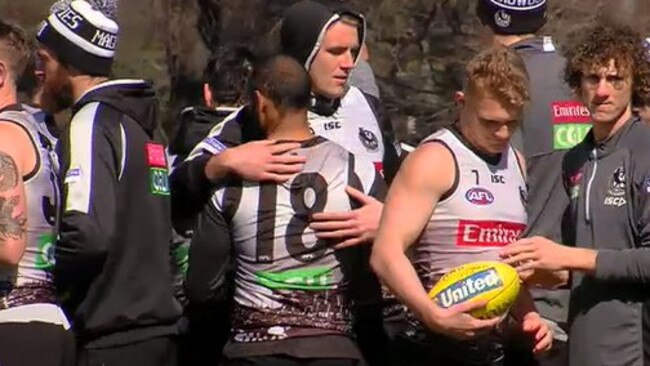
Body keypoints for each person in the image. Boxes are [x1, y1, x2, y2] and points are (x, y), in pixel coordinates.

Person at [186, 54, 386, 366]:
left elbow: (202, 287)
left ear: (259, 102)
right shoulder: (355, 170)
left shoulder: (234, 178)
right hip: (335, 351)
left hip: (252, 351)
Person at [370, 46, 552, 366]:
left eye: (512, 122)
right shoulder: (435, 159)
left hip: (493, 348)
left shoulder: (517, 163)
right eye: (490, 121)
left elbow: (503, 267)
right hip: (433, 345)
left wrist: (529, 317)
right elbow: (385, 254)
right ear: (460, 101)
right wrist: (433, 314)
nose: (502, 132)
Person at [171, 0, 400, 250]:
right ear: (304, 53)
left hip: (361, 280)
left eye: (353, 52)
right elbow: (177, 193)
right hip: (276, 279)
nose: (348, 64)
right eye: (335, 52)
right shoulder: (259, 116)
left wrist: (389, 219)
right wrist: (222, 163)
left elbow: (406, 191)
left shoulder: (368, 108)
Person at [36, 1, 181, 365]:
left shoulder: (90, 122)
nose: (39, 72)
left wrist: (52, 286)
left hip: (112, 338)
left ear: (68, 62)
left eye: (45, 60)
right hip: (160, 334)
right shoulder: (141, 125)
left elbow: (87, 233)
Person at [500, 21, 650, 366]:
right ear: (577, 84)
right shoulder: (575, 159)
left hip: (633, 350)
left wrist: (570, 258)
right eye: (592, 78)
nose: (602, 91)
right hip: (582, 348)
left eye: (616, 80)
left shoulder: (644, 151)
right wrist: (549, 274)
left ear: (634, 85)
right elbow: (592, 263)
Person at [477, 1, 589, 364]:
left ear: (485, 18)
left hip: (519, 305)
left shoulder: (497, 84)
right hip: (588, 299)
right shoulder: (587, 79)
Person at [0, 19, 74, 366]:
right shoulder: (45, 129)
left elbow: (8, 246)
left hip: (12, 323)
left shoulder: (3, 134)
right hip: (50, 319)